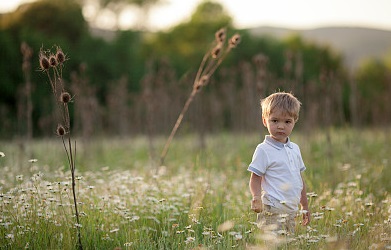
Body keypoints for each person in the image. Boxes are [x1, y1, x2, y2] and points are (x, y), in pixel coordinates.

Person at [248, 92, 310, 235]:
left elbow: (299, 179)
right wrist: (256, 197)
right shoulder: (264, 149)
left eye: (287, 121)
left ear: (295, 121)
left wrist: (304, 205)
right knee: (273, 244)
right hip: (272, 209)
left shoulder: (295, 149)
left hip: (291, 210)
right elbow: (255, 178)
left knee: (288, 244)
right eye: (275, 121)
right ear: (265, 121)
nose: (281, 126)